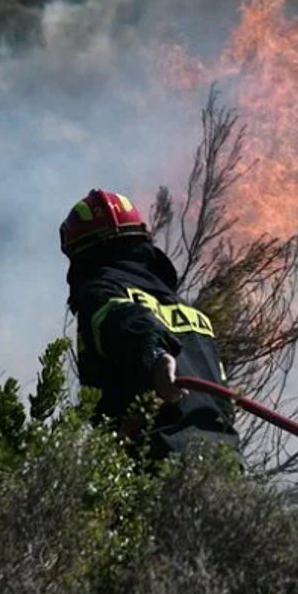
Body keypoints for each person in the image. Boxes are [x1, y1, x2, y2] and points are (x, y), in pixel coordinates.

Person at [61, 189, 239, 460]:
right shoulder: (193, 314)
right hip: (224, 468)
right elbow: (225, 406)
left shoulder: (100, 293)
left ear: (81, 254)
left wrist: (154, 355)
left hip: (158, 469)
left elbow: (126, 321)